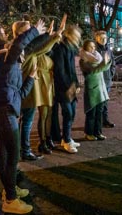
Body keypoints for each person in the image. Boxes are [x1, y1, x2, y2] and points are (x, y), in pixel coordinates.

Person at [0, 19, 45, 214]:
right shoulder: (7, 61)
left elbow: (18, 94)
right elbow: (21, 45)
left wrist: (31, 78)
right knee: (12, 155)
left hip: (5, 109)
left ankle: (9, 190)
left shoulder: (12, 70)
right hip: (4, 111)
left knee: (5, 154)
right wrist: (35, 30)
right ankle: (10, 200)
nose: (23, 54)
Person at [21, 19, 64, 155]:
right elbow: (43, 47)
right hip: (39, 85)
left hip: (48, 84)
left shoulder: (46, 53)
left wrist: (53, 36)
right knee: (39, 116)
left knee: (49, 114)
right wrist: (54, 35)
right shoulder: (34, 52)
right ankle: (40, 142)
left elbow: (47, 48)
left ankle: (47, 139)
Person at [50, 25, 82, 153]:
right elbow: (59, 70)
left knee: (72, 113)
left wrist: (77, 85)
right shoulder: (60, 49)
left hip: (71, 87)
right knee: (68, 113)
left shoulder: (69, 48)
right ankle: (66, 141)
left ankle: (67, 138)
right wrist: (68, 86)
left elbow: (72, 70)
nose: (78, 39)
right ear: (68, 35)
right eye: (76, 36)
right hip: (63, 89)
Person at [79, 40, 111, 141]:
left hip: (100, 88)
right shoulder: (83, 60)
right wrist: (104, 64)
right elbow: (93, 71)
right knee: (91, 113)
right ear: (85, 48)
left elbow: (103, 68)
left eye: (93, 46)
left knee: (99, 112)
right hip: (92, 89)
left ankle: (98, 132)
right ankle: (88, 133)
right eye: (90, 47)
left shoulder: (97, 57)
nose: (93, 49)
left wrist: (107, 62)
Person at [94, 30, 116, 128]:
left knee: (105, 102)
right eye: (101, 38)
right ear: (96, 39)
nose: (103, 40)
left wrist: (111, 73)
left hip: (107, 80)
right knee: (98, 102)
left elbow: (113, 63)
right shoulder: (94, 50)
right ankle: (97, 121)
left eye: (105, 38)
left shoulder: (109, 50)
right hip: (97, 80)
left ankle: (105, 120)